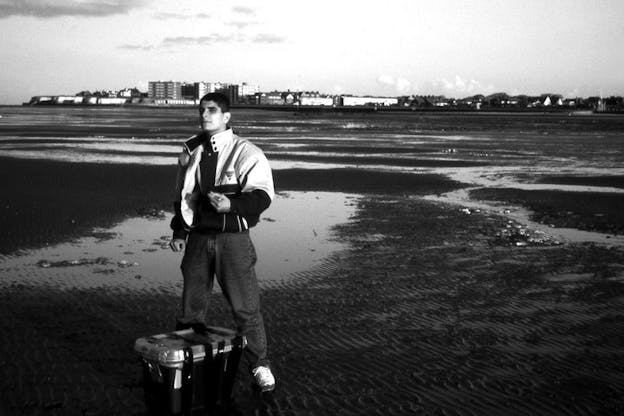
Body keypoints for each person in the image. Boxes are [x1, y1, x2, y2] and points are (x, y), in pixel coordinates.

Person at [169, 92, 276, 392]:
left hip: (233, 241)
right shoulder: (191, 150)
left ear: (226, 117)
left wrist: (232, 205)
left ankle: (260, 365)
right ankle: (187, 365)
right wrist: (179, 231)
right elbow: (182, 196)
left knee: (245, 309)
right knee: (191, 308)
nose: (205, 115)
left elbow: (263, 195)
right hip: (198, 239)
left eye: (212, 110)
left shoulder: (246, 152)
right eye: (202, 110)